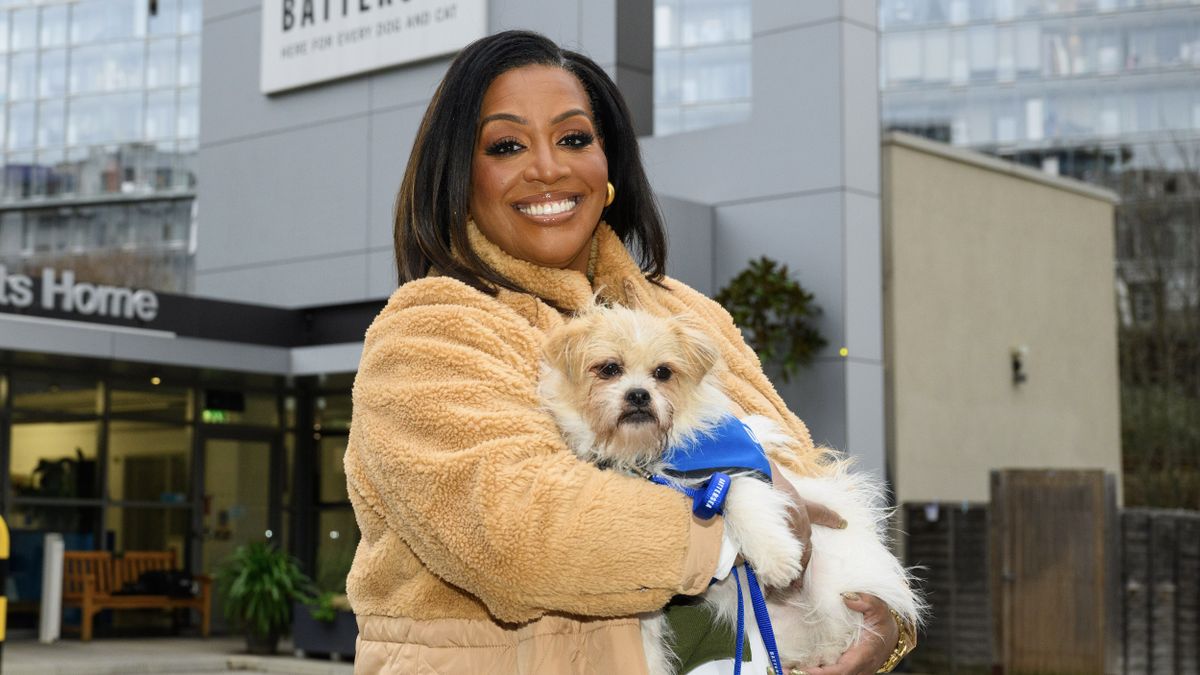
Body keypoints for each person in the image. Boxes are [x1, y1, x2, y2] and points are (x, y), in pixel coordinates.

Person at [345, 29, 914, 675]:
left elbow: (805, 477)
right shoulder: (432, 326)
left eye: (574, 138)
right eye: (506, 145)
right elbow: (515, 533)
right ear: (458, 176)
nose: (549, 167)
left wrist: (874, 623)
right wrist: (735, 517)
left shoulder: (687, 312)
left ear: (608, 166)